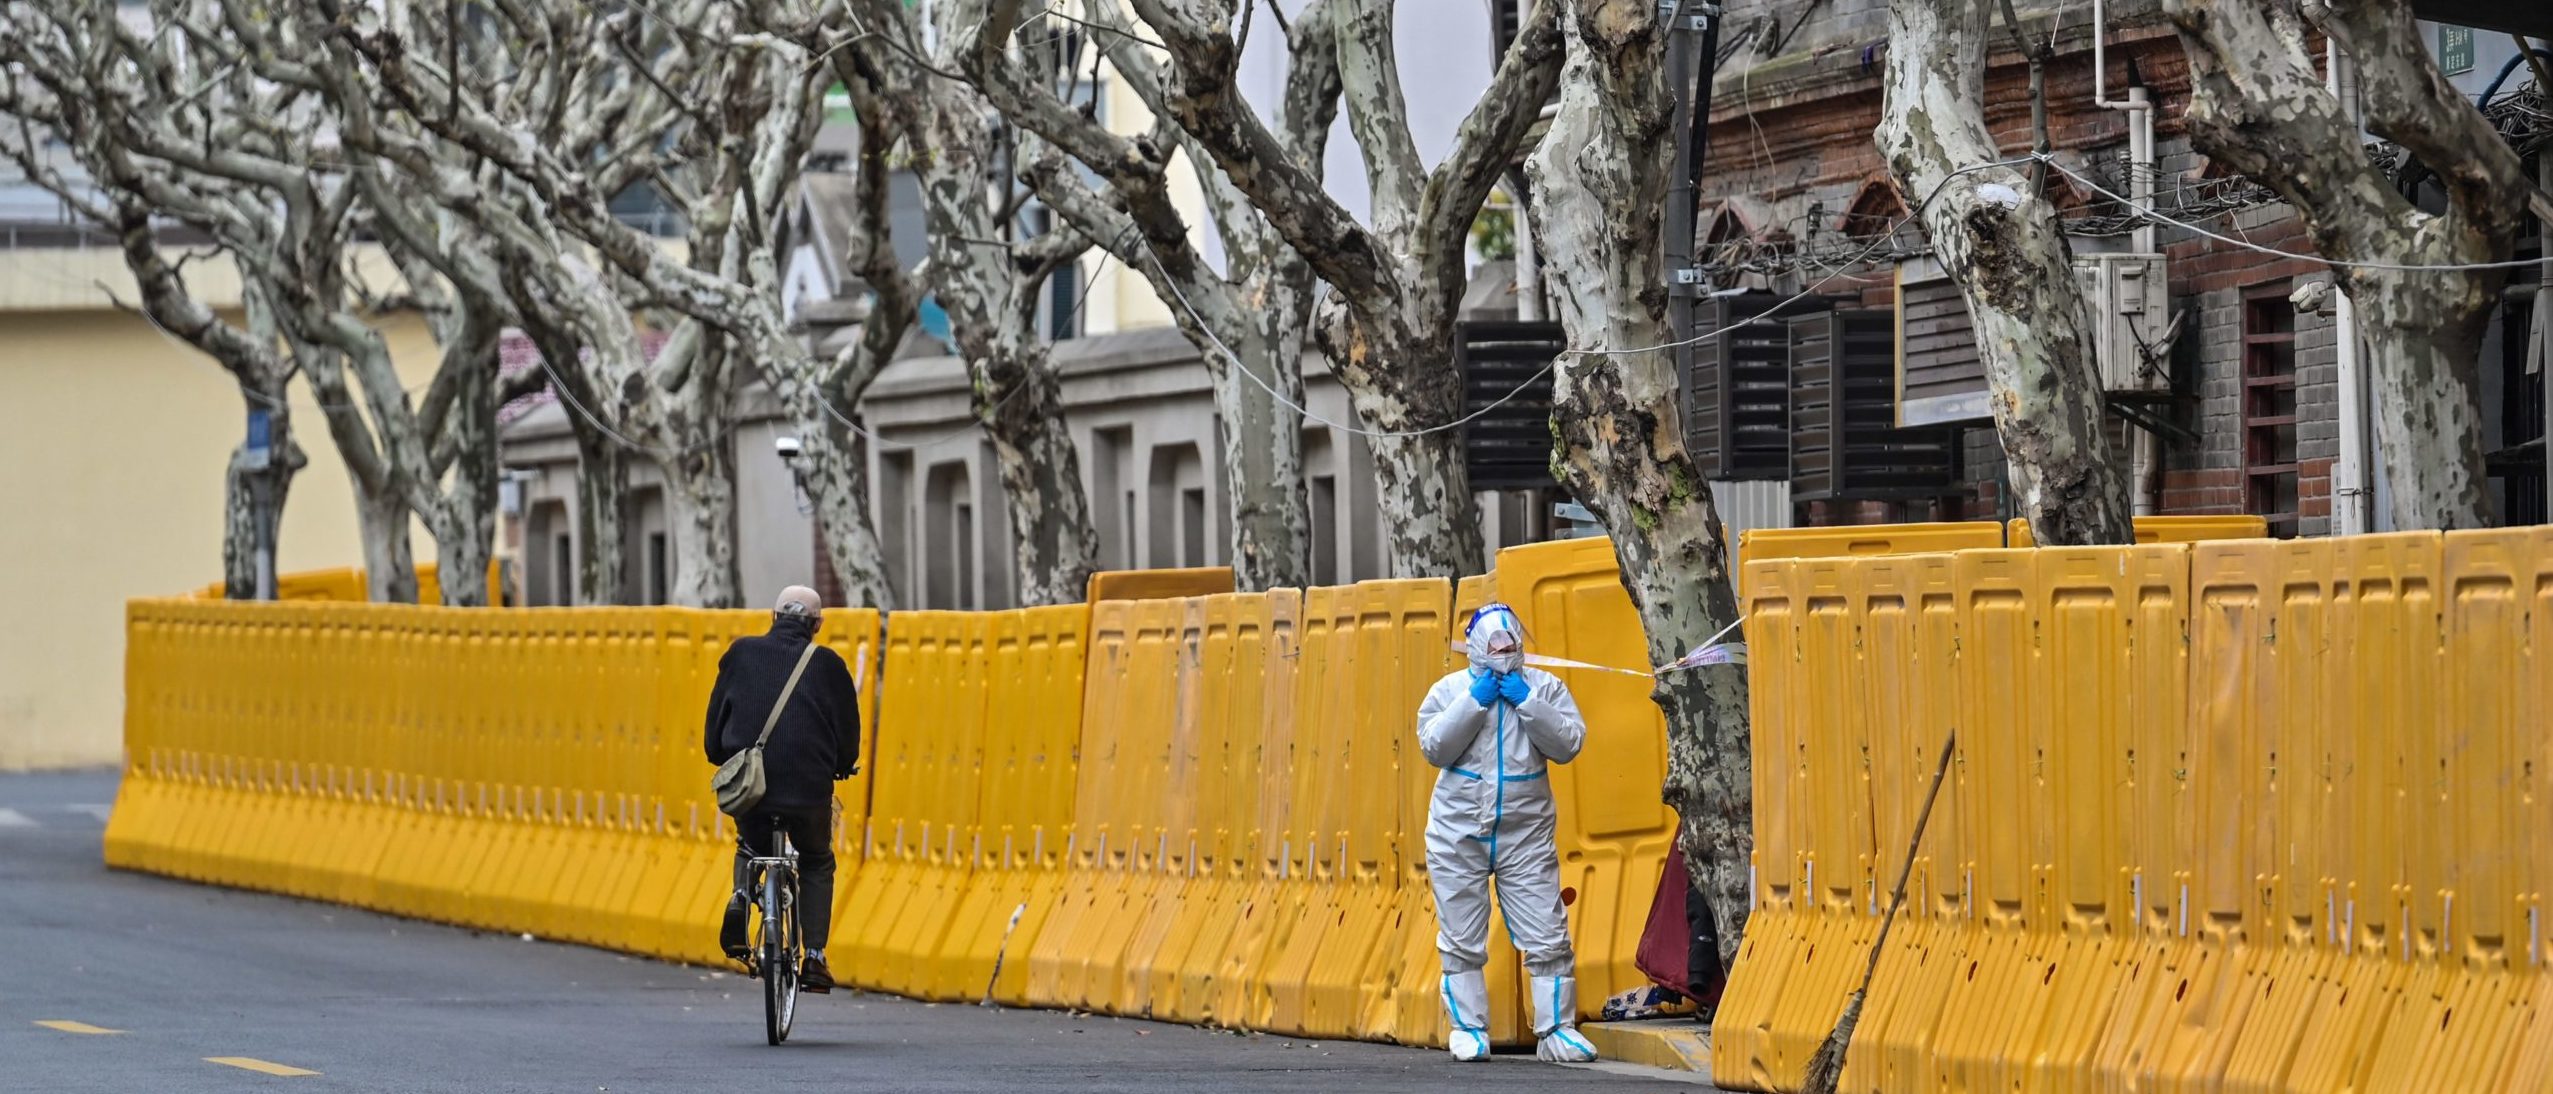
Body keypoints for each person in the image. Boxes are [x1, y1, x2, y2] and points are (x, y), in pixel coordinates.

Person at [1414, 603, 1600, 1063]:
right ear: (1476, 645)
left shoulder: (1544, 688)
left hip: (1525, 833)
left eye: (1510, 644)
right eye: (1494, 644)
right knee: (1461, 934)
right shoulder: (1450, 691)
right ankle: (1469, 1027)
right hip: (1458, 831)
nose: (1503, 651)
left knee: (1547, 930)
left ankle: (1556, 1029)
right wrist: (1473, 702)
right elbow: (1435, 746)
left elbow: (1568, 744)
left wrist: (1528, 702)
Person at [705, 586, 862, 993]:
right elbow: (848, 734)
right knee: (815, 859)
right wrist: (842, 766)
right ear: (817, 626)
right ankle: (814, 957)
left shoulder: (740, 653)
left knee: (750, 842)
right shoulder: (829, 665)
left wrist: (721, 753)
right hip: (809, 789)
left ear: (772, 617)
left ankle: (741, 896)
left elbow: (714, 727)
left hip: (753, 789)